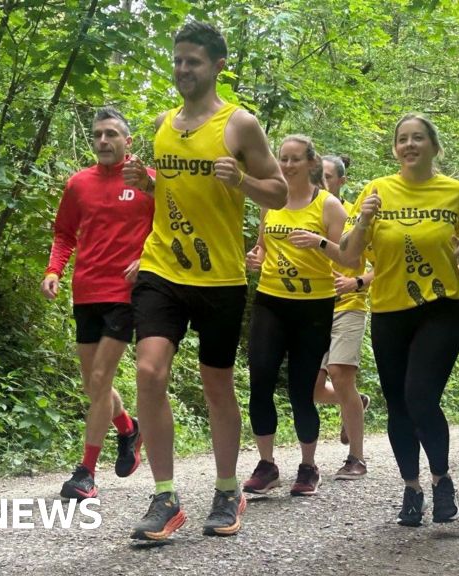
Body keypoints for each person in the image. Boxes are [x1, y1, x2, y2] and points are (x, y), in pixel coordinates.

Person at [121, 21, 287, 541]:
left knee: (216, 384)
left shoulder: (240, 125)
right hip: (162, 265)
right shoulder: (163, 122)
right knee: (149, 372)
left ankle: (225, 489)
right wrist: (145, 183)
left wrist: (242, 180)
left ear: (217, 66)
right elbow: (176, 190)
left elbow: (279, 193)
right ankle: (165, 497)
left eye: (192, 61)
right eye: (177, 60)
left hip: (219, 276)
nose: (182, 69)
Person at [339, 113, 459, 526]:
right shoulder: (376, 191)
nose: (409, 145)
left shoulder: (454, 192)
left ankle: (441, 481)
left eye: (418, 138)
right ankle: (411, 488)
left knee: (420, 396)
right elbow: (349, 254)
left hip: (438, 309)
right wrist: (365, 217)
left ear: (434, 146)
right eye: (402, 139)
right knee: (399, 405)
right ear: (395, 148)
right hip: (388, 311)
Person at [41, 107, 155, 501]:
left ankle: (86, 472)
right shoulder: (78, 184)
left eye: (111, 134)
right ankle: (127, 428)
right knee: (94, 384)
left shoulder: (148, 183)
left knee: (101, 377)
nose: (103, 141)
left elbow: (172, 228)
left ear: (129, 141)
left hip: (125, 294)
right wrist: (54, 270)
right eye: (97, 135)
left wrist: (149, 258)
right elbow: (63, 232)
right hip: (85, 290)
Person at [241, 136, 350, 496]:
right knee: (260, 382)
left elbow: (351, 259)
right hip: (271, 300)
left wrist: (318, 242)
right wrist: (255, 258)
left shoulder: (329, 206)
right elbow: (261, 247)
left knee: (302, 391)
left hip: (313, 305)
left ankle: (308, 466)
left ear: (310, 162)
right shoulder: (270, 203)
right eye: (282, 159)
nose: (287, 166)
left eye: (294, 160)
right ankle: (267, 464)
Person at [310, 154, 374, 479]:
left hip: (350, 302)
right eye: (317, 176)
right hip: (314, 304)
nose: (321, 181)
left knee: (340, 373)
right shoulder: (307, 211)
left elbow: (383, 262)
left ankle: (357, 459)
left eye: (327, 176)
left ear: (341, 181)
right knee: (313, 389)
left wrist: (357, 281)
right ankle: (355, 404)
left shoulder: (355, 214)